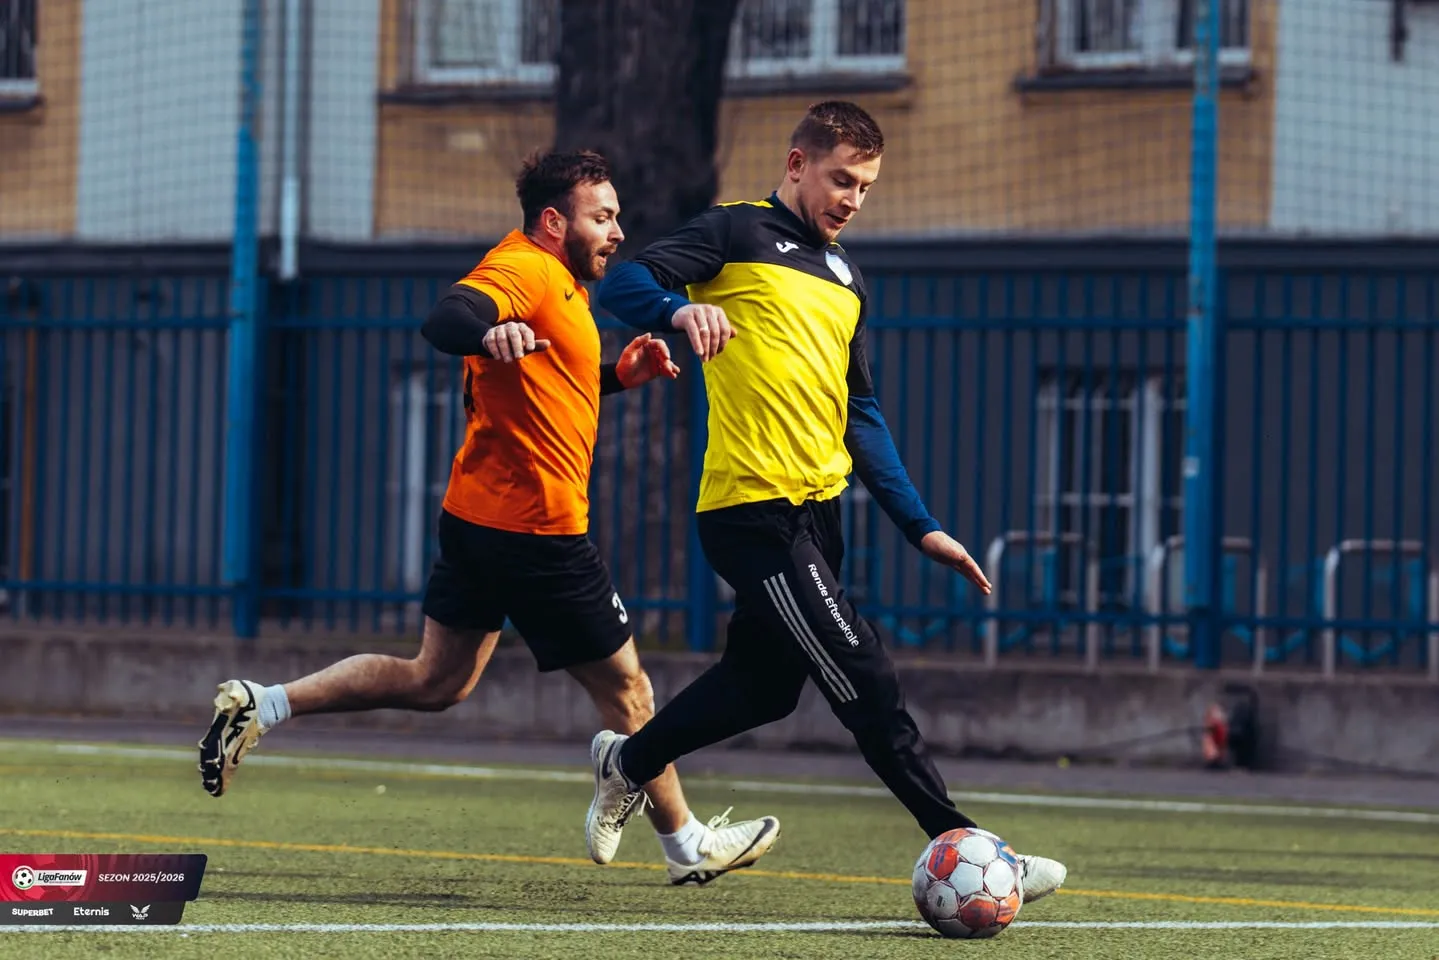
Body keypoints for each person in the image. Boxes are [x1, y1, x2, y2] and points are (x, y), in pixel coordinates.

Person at [197, 149, 779, 886]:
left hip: (477, 516)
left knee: (435, 681)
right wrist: (484, 333)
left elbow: (542, 381)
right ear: (553, 221)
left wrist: (617, 377)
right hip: (538, 532)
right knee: (628, 692)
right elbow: (448, 317)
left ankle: (263, 705)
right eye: (602, 218)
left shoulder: (561, 283)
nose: (617, 232)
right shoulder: (525, 269)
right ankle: (685, 844)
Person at [585, 102, 1067, 902]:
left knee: (765, 689)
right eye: (841, 179)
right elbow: (626, 283)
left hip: (818, 514)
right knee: (863, 674)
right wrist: (679, 309)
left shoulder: (846, 277)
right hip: (752, 510)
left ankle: (627, 761)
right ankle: (971, 846)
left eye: (866, 187)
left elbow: (860, 414)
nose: (852, 199)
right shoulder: (735, 231)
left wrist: (920, 526)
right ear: (797, 163)